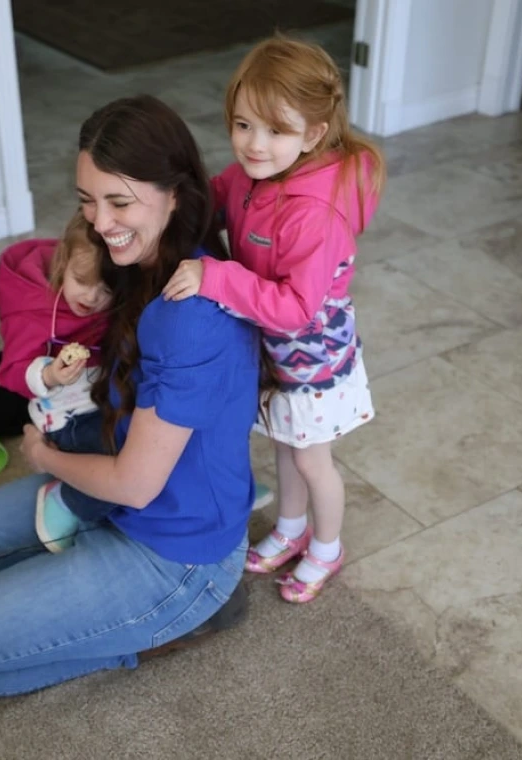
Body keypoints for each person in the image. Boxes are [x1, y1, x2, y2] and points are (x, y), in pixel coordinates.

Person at [0, 94, 261, 698]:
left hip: (175, 550)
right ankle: (80, 572)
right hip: (104, 492)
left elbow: (134, 484)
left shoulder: (189, 318)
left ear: (175, 194)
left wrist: (43, 457)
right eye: (87, 200)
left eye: (119, 201)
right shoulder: (135, 258)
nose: (100, 220)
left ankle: (171, 625)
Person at [163, 36, 386, 604]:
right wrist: (174, 205)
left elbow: (294, 309)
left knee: (312, 458)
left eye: (275, 131)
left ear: (313, 134)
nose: (254, 145)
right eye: (243, 125)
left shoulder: (314, 214)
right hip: (276, 350)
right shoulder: (250, 173)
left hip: (310, 354)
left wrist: (216, 278)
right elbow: (221, 197)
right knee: (286, 446)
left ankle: (327, 548)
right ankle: (290, 530)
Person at [0, 211, 118, 552]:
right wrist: (47, 374)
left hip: (105, 396)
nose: (92, 298)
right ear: (62, 263)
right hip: (64, 414)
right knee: (120, 456)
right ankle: (66, 499)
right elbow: (10, 372)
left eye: (106, 289)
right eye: (81, 280)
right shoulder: (32, 310)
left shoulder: (108, 302)